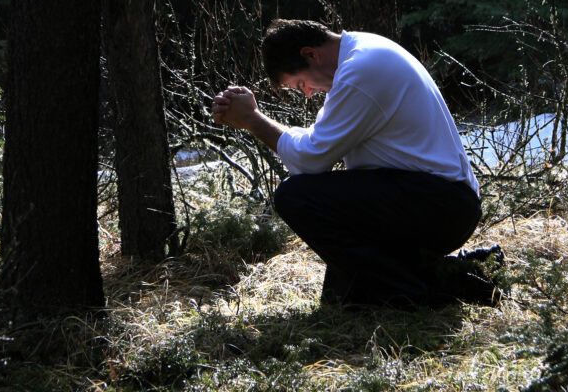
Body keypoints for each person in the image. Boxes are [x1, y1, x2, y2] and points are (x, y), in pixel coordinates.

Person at [212, 19, 501, 307]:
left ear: (310, 54)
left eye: (301, 84)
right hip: (436, 199)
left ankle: (419, 293)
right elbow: (316, 142)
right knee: (343, 297)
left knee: (295, 196)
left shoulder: (361, 70)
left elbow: (310, 160)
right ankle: (458, 272)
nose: (308, 93)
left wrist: (253, 120)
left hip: (441, 205)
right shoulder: (363, 53)